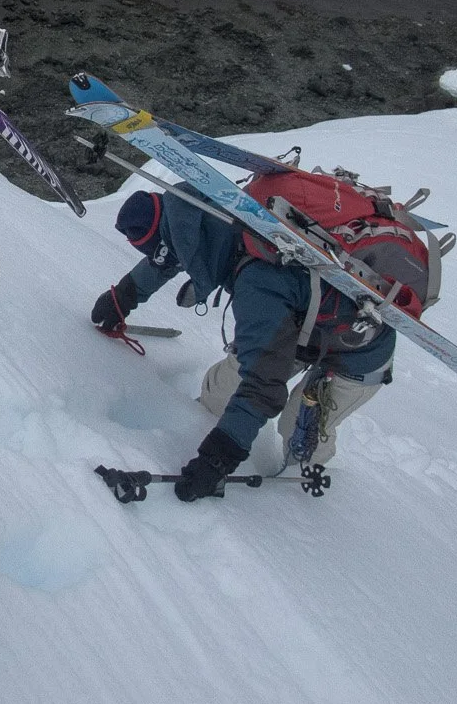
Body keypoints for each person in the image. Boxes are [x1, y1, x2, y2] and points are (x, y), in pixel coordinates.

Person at [90, 188, 394, 501]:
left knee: (298, 434)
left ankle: (297, 498)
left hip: (356, 349)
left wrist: (217, 458)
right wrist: (122, 296)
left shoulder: (257, 280)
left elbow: (264, 385)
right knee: (218, 392)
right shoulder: (208, 216)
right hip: (297, 328)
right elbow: (169, 256)